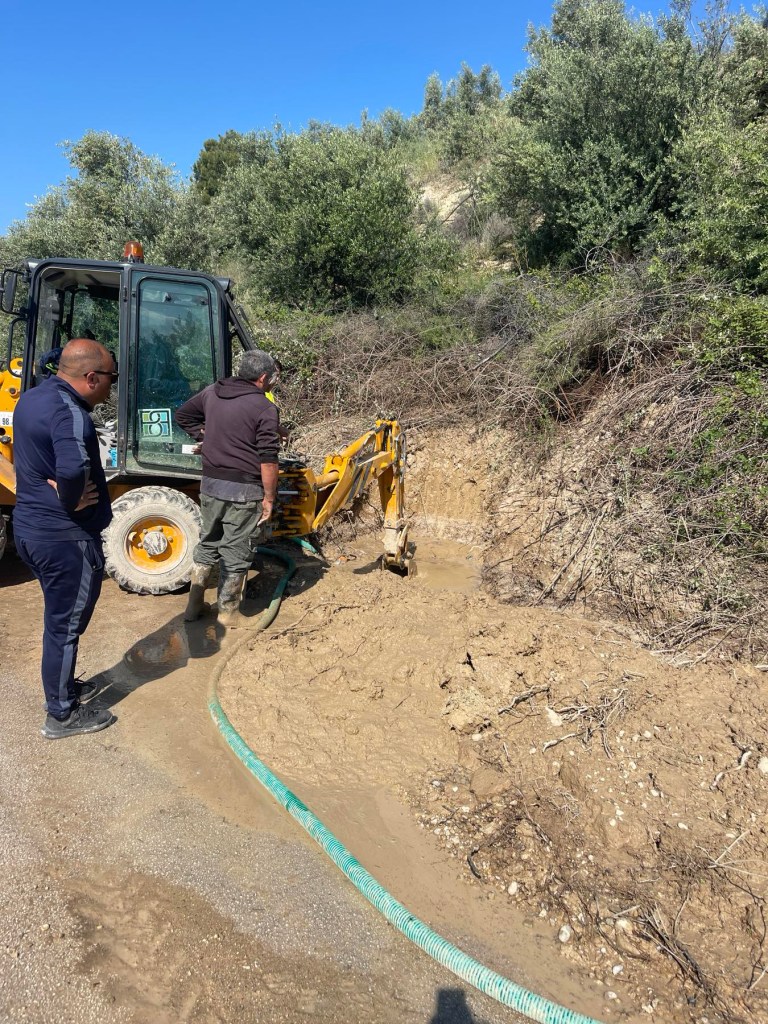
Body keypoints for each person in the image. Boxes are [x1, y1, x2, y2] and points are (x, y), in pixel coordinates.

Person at [13, 338, 118, 739]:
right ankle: (62, 714)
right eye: (110, 378)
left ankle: (64, 687)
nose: (111, 386)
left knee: (60, 619)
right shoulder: (69, 411)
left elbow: (39, 460)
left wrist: (58, 488)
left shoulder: (32, 399)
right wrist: (71, 498)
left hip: (30, 531)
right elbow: (73, 469)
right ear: (91, 377)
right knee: (65, 625)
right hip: (64, 539)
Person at [175, 349, 280, 626]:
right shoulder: (265, 407)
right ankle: (228, 613)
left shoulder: (212, 392)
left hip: (210, 485)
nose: (274, 382)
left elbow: (183, 415)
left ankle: (193, 607)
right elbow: (268, 460)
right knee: (237, 550)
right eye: (273, 377)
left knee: (208, 541)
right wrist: (269, 498)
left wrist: (204, 435)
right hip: (244, 490)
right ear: (263, 377)